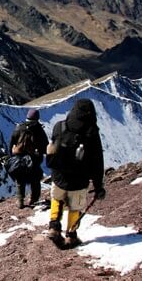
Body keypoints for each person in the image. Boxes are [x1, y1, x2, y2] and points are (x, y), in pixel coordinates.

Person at [45, 98, 106, 248]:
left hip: (58, 175)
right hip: (79, 179)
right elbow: (97, 161)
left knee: (56, 199)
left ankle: (54, 227)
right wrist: (98, 187)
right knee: (75, 207)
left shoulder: (59, 126)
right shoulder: (91, 133)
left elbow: (53, 147)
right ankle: (71, 236)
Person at [9, 108, 49, 209]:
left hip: (19, 159)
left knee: (20, 180)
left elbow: (11, 143)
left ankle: (20, 200)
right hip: (34, 160)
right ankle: (33, 199)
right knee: (35, 180)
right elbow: (45, 146)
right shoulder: (39, 130)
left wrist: (12, 157)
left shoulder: (19, 128)